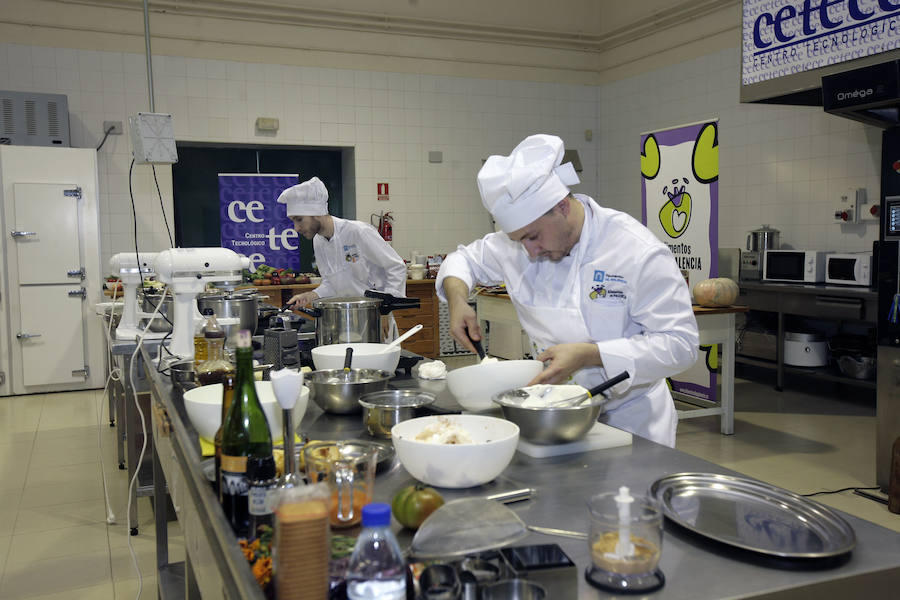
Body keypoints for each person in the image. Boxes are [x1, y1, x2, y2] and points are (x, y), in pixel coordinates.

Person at [437, 134, 699, 446]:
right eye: (520, 240)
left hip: (631, 420)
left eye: (533, 237)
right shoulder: (519, 243)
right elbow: (462, 260)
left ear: (561, 206)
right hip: (552, 412)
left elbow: (681, 345)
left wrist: (592, 355)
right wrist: (458, 301)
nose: (530, 251)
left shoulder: (635, 251)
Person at [277, 177, 408, 339]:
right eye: (293, 221)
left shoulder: (357, 232)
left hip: (376, 319)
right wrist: (309, 296)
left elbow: (396, 267)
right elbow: (331, 284)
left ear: (316, 213)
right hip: (346, 321)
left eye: (299, 220)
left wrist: (385, 311)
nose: (296, 228)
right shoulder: (318, 241)